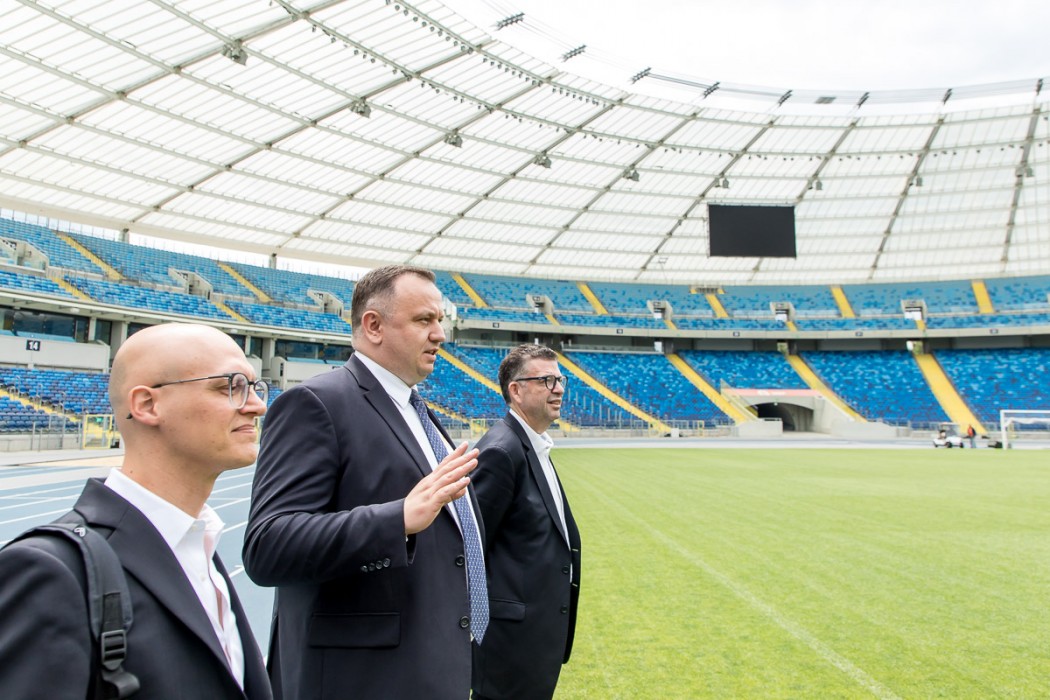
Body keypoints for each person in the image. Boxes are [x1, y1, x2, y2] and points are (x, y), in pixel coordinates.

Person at [243, 264, 485, 700]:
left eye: (440, 320)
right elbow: (269, 545)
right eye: (424, 320)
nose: (440, 334)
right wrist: (397, 519)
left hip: (427, 669)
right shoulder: (316, 403)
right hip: (360, 680)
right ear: (373, 326)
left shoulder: (416, 411)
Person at [0, 323, 272, 699]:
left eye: (255, 388)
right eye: (230, 386)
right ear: (146, 405)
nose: (257, 406)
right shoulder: (52, 570)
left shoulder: (200, 548)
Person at [471, 344, 582, 700]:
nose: (559, 389)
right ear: (516, 391)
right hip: (508, 652)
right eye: (547, 380)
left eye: (560, 380)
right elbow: (469, 550)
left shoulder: (532, 445)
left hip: (531, 643)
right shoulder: (501, 451)